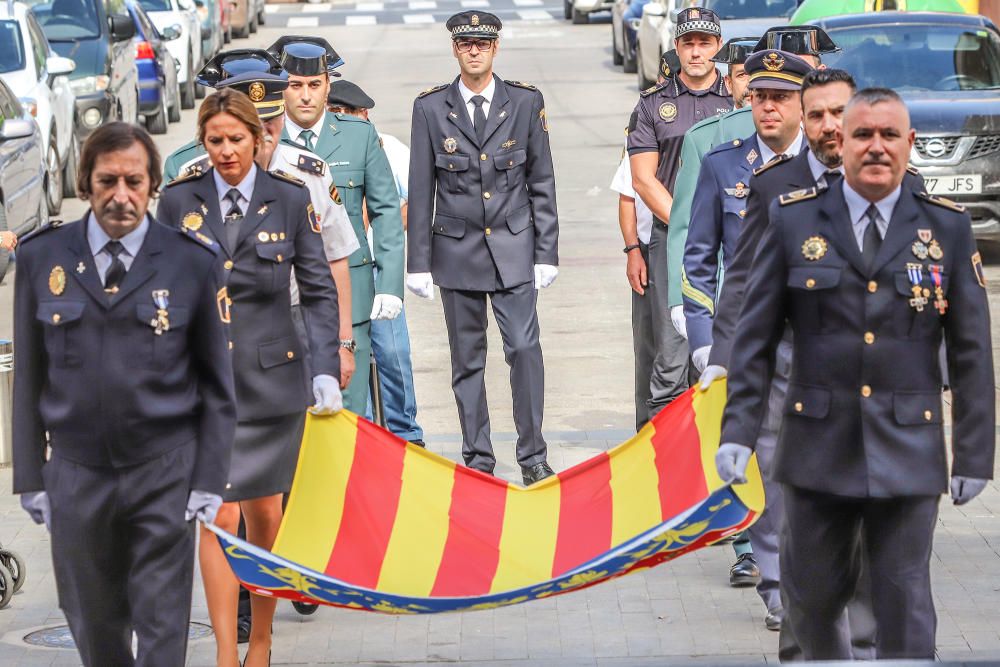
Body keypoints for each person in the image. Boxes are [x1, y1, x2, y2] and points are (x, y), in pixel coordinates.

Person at [717, 87, 995, 660]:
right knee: (811, 601)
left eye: (889, 135)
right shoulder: (793, 220)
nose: (876, 147)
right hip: (816, 449)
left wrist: (973, 454)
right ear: (840, 143)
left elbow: (971, 354)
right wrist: (738, 431)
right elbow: (755, 338)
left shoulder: (945, 229)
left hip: (908, 451)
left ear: (910, 144)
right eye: (863, 135)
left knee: (904, 599)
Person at [13, 122, 236, 667]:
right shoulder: (44, 259)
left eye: (134, 181)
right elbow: (29, 378)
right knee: (95, 625)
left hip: (163, 473)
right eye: (107, 180)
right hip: (77, 474)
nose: (121, 195)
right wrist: (30, 477)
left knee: (162, 629)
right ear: (86, 183)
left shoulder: (191, 261)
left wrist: (209, 479)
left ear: (153, 184)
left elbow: (216, 385)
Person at [157, 88, 343, 667]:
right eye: (215, 141)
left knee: (264, 515)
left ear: (259, 139)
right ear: (203, 143)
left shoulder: (289, 199)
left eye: (237, 139)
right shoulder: (177, 201)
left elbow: (315, 289)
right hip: (204, 386)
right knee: (217, 513)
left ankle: (260, 641)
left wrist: (325, 367)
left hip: (270, 386)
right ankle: (222, 650)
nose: (227, 151)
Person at [407, 11, 559, 485]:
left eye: (483, 43)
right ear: (455, 49)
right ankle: (478, 459)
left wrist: (546, 250)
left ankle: (533, 454)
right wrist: (418, 264)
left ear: (496, 48)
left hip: (514, 248)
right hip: (456, 253)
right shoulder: (431, 108)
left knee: (524, 349)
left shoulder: (524, 102)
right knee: (467, 361)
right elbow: (421, 187)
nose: (475, 50)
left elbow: (541, 181)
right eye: (466, 43)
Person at [666, 26, 840, 338]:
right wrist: (704, 339)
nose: (768, 106)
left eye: (781, 97)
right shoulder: (721, 164)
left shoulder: (832, 164)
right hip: (745, 331)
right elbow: (699, 257)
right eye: (760, 96)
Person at [271, 36, 405, 416]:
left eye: (314, 85)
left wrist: (390, 283)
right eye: (295, 86)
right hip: (290, 298)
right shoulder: (266, 139)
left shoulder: (357, 135)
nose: (305, 96)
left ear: (328, 86)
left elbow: (386, 211)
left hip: (354, 296)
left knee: (351, 411)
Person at [628, 6, 732, 417]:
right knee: (671, 356)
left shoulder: (737, 99)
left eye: (704, 43)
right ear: (676, 47)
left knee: (722, 347)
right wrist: (691, 226)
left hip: (733, 240)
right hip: (672, 238)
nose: (695, 52)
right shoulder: (653, 105)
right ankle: (662, 468)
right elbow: (643, 180)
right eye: (688, 43)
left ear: (717, 47)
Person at [327, 79, 426, 446]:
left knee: (394, 357)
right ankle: (366, 438)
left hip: (377, 269)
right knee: (351, 361)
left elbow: (418, 203)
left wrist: (379, 218)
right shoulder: (325, 146)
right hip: (343, 271)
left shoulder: (390, 148)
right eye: (333, 112)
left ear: (363, 115)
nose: (339, 119)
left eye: (345, 113)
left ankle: (407, 434)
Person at [612, 50, 679, 432]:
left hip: (677, 242)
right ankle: (647, 429)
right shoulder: (646, 127)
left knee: (680, 351)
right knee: (652, 348)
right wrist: (632, 249)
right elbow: (627, 194)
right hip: (650, 248)